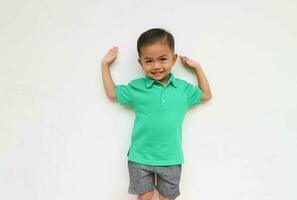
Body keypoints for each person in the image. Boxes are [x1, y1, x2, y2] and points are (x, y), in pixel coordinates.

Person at [101, 28, 212, 200]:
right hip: (140, 157)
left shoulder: (182, 89)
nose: (156, 66)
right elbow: (112, 93)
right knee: (144, 197)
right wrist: (105, 65)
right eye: (149, 61)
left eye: (162, 59)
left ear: (173, 59)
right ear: (141, 63)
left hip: (171, 157)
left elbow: (206, 95)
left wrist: (198, 68)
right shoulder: (137, 87)